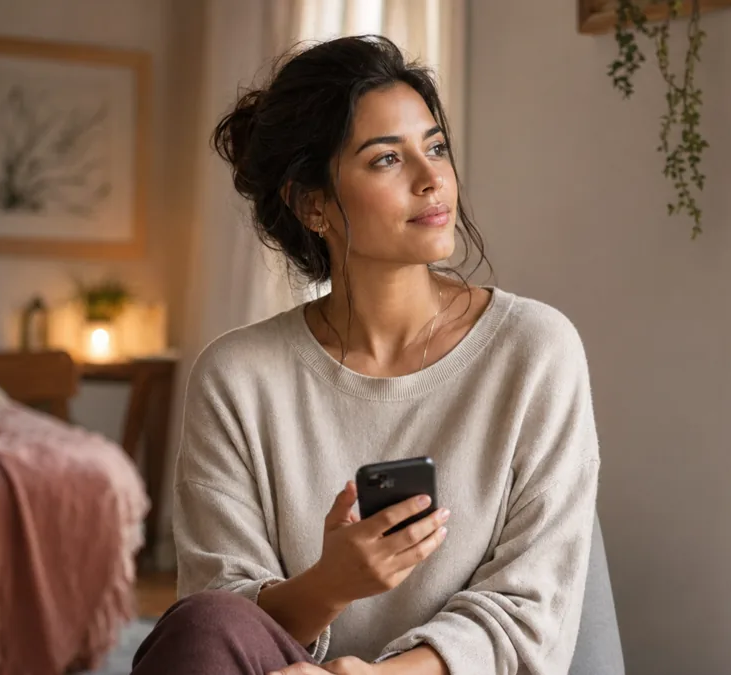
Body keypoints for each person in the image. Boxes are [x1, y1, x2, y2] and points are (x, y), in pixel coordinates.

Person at [131, 35, 600, 675]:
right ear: (312, 203)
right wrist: (332, 583)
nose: (432, 178)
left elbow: (531, 606)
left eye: (435, 147)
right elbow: (219, 624)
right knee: (205, 621)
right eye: (386, 160)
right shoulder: (238, 377)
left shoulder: (535, 351)